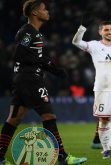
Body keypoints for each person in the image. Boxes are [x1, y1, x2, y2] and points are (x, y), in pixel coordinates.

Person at [0, 1, 87, 165]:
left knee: (14, 119)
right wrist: (43, 63)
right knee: (49, 115)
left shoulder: (35, 33)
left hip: (23, 80)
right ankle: (62, 157)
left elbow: (36, 57)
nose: (47, 12)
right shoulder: (28, 32)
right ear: (34, 13)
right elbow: (19, 53)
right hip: (30, 79)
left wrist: (55, 69)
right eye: (43, 9)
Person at [72, 21, 111, 159]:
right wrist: (82, 28)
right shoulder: (94, 45)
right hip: (102, 88)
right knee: (104, 119)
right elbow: (76, 42)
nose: (110, 32)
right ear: (100, 32)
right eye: (106, 30)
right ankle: (106, 149)